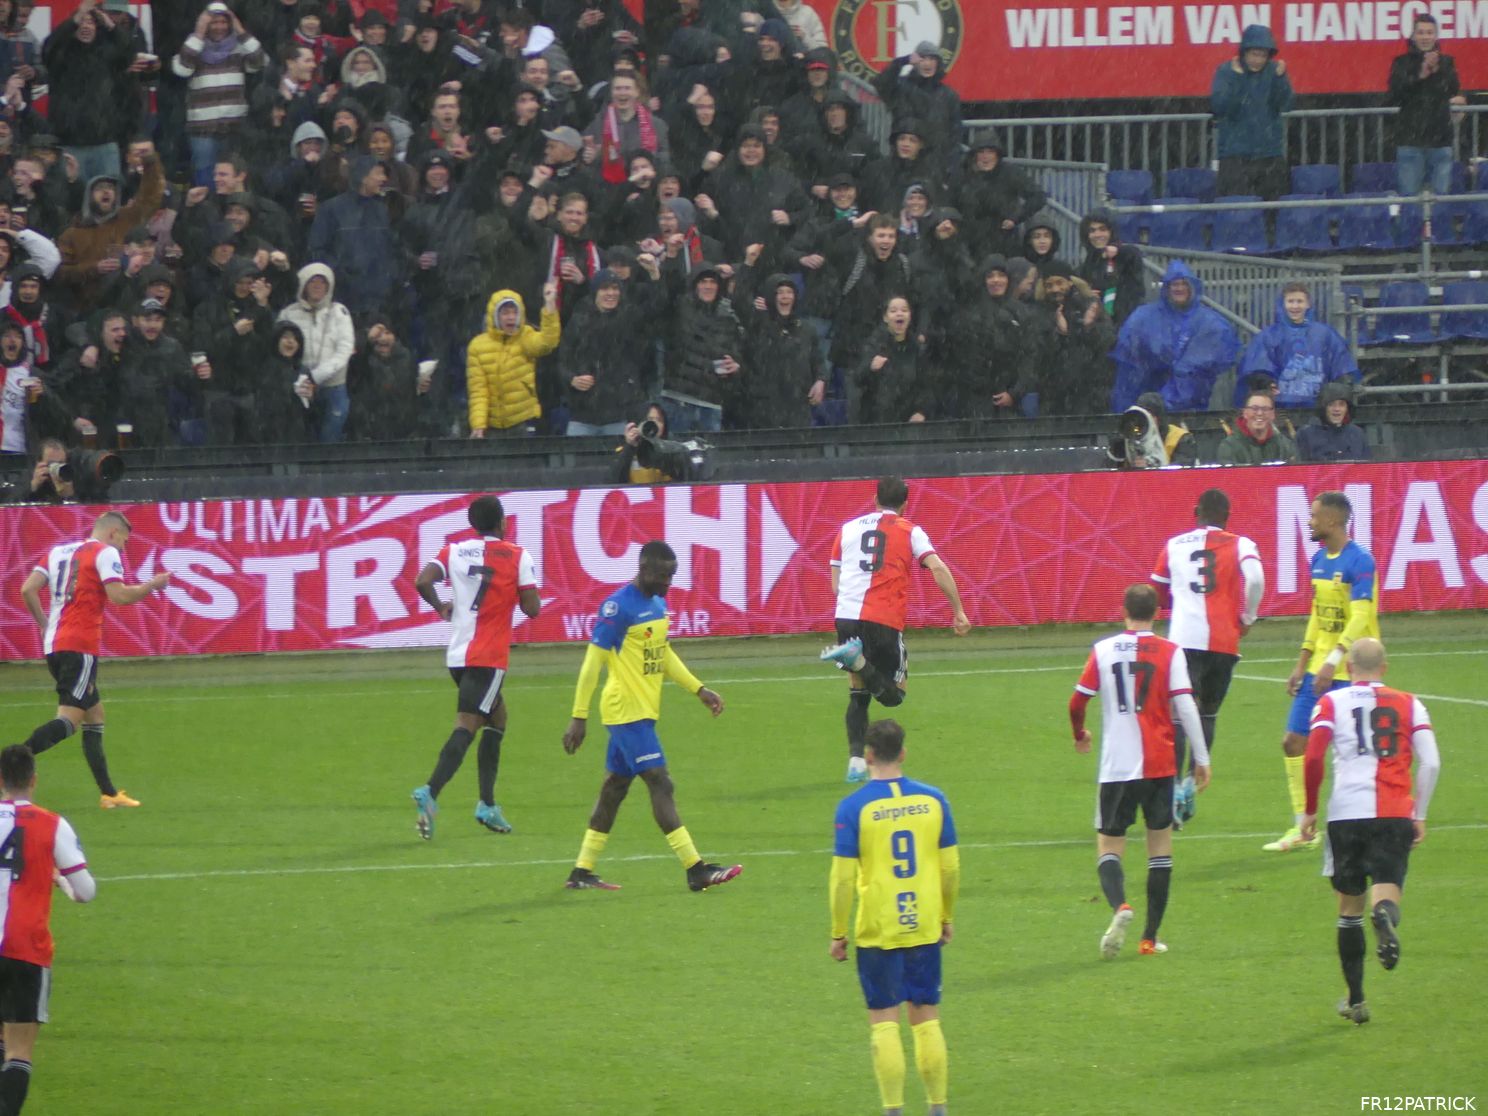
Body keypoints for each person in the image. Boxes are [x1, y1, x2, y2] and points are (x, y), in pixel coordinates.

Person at [560, 540, 742, 892]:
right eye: (662, 576)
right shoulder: (618, 608)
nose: (667, 584)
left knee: (614, 788)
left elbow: (663, 654)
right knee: (660, 781)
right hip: (624, 712)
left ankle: (581, 871)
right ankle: (695, 867)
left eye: (672, 576)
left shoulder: (658, 605)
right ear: (643, 570)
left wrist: (698, 689)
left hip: (643, 713)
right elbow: (591, 663)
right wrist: (578, 716)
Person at [1299, 638, 1441, 1025]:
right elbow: (1431, 762)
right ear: (1385, 667)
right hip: (1393, 811)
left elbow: (1312, 756)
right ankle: (1384, 915)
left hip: (1346, 814)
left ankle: (1356, 1000)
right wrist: (1420, 813)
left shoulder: (1331, 702)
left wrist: (1309, 810)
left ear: (1349, 669)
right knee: (1385, 892)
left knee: (1348, 912)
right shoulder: (1410, 702)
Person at [1069, 584, 1209, 958]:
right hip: (1160, 765)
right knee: (1160, 849)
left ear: (1123, 610)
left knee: (1109, 846)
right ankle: (1149, 938)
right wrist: (1202, 757)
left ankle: (1121, 907)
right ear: (1158, 612)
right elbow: (1186, 707)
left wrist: (1079, 733)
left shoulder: (1103, 649)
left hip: (1116, 766)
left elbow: (1077, 700)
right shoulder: (1170, 651)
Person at [829, 719, 957, 1116]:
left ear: (868, 754)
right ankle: (937, 1108)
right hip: (923, 925)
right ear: (903, 753)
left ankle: (893, 1110)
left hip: (878, 931)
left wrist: (837, 932)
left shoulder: (854, 807)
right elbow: (950, 868)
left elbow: (843, 878)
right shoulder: (935, 800)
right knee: (926, 1019)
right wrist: (946, 916)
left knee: (884, 1022)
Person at [820, 477, 972, 782]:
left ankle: (855, 761)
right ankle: (859, 660)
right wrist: (958, 611)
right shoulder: (909, 530)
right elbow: (938, 568)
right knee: (894, 697)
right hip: (883, 618)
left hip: (847, 616)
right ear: (904, 505)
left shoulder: (848, 529)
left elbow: (836, 585)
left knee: (858, 692)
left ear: (874, 499)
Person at [16, 511, 171, 807]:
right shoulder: (105, 552)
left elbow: (28, 589)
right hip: (80, 646)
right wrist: (152, 585)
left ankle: (109, 794)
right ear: (113, 533)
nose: (124, 548)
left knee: (94, 714)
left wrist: (43, 624)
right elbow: (119, 596)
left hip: (56, 645)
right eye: (124, 540)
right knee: (68, 722)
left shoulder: (58, 551)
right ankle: (10, 765)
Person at [410, 496, 540, 839]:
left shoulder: (453, 551)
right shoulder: (517, 555)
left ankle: (487, 804)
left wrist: (441, 607)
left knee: (497, 718)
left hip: (457, 656)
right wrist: (521, 592)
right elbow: (533, 609)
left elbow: (422, 580)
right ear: (503, 523)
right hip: (488, 657)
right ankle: (431, 791)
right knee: (467, 726)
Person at [1265, 490, 1380, 853]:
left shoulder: (1360, 561)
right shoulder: (1318, 559)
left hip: (1353, 669)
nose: (1310, 521)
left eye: (1314, 516)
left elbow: (1361, 615)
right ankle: (1304, 826)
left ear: (1332, 520)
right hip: (1319, 670)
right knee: (1293, 742)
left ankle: (1376, 816)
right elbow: (1318, 616)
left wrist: (1335, 659)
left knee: (1355, 752)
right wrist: (1303, 662)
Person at [1150, 489, 1263, 825]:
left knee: (1180, 716)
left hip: (1184, 641)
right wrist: (1249, 616)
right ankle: (1188, 784)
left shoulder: (1174, 544)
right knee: (1208, 715)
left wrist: (1171, 603)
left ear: (1195, 511)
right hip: (1224, 642)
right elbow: (1255, 578)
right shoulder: (1241, 543)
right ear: (1227, 517)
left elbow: (1155, 590)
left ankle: (1171, 792)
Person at [0, 743, 97, 1115]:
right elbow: (86, 890)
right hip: (27, 949)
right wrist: (61, 881)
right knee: (19, 1051)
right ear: (34, 780)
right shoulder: (52, 823)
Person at [1111, 260, 1239, 413]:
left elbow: (1193, 372)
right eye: (1174, 284)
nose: (1179, 288)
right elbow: (1130, 367)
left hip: (1192, 410)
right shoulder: (1143, 317)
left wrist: (1161, 404)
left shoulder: (1210, 323)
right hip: (1145, 407)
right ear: (1167, 288)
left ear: (1192, 287)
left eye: (1184, 284)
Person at [1235, 284, 1360, 410]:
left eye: (1300, 301)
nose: (1295, 306)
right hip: (1279, 408)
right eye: (1290, 301)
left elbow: (1342, 366)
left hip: (1318, 407)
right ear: (1283, 304)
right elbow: (1256, 369)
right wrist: (1267, 383)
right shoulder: (1269, 336)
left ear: (1308, 304)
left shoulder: (1325, 334)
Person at [467, 281, 561, 438]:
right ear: (495, 316)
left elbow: (547, 343)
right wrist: (478, 425)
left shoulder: (526, 336)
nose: (511, 317)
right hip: (493, 426)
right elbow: (478, 390)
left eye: (514, 312)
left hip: (524, 421)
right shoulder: (477, 346)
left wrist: (550, 305)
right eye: (505, 313)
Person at [1210, 25, 1294, 200]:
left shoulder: (1275, 71)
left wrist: (1281, 81)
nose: (1258, 60)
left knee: (1272, 213)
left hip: (1270, 154)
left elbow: (1285, 104)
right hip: (1235, 156)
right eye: (1254, 54)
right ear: (1244, 52)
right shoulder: (1227, 71)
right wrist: (1238, 79)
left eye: (1263, 55)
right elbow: (1221, 107)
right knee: (1237, 213)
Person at [1388, 15, 1464, 196]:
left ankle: (1437, 225)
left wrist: (1437, 72)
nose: (1425, 37)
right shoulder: (1401, 63)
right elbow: (1394, 95)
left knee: (1441, 201)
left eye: (1429, 32)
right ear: (1413, 36)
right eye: (1420, 32)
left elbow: (1454, 90)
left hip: (1441, 140)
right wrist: (1420, 75)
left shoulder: (1446, 62)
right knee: (1409, 201)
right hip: (1410, 141)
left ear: (1436, 36)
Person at [1217, 390, 1299, 465]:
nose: (1260, 413)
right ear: (1245, 413)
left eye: (1265, 409)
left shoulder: (1285, 446)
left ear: (1272, 414)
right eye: (1254, 408)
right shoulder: (1229, 446)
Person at [1297, 381, 1369, 462]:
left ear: (1347, 409)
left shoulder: (1357, 434)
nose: (1337, 409)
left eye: (1341, 404)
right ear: (1323, 408)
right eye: (1331, 404)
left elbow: (1367, 468)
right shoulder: (1306, 434)